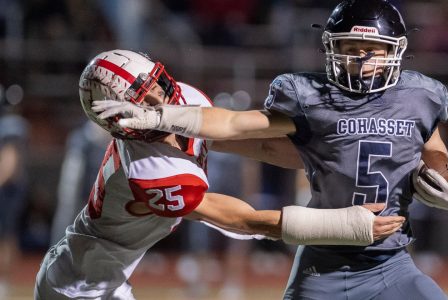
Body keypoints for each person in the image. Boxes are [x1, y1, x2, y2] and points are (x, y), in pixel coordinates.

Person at [93, 1, 448, 299]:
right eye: (349, 48)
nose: (361, 59)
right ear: (331, 49)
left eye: (371, 48)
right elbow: (233, 123)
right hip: (323, 266)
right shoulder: (311, 97)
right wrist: (159, 115)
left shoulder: (420, 96)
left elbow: (432, 147)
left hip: (391, 265)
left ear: (396, 51)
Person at [35, 49, 404, 299]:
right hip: (78, 287)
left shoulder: (186, 102)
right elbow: (247, 221)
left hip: (102, 276)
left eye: (159, 85)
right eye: (146, 99)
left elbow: (257, 145)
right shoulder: (149, 170)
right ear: (120, 121)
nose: (164, 100)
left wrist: (335, 157)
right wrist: (344, 226)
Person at [50, 120, 111, 245]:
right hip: (79, 197)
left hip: (98, 199)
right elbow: (71, 176)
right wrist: (68, 199)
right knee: (66, 228)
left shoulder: (108, 138)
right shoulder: (82, 138)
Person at [0, 90, 29, 298]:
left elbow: (9, 161)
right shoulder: (14, 123)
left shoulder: (11, 125)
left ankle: (3, 281)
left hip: (7, 190)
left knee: (5, 237)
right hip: (11, 189)